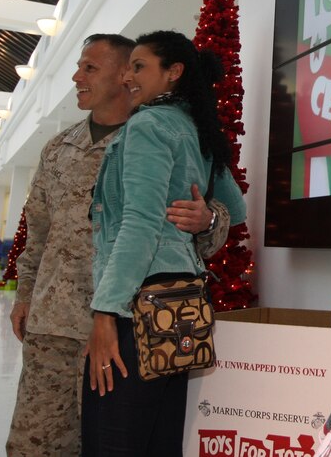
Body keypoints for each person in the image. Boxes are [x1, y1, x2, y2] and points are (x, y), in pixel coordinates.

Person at [6, 34, 241, 457]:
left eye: (89, 68)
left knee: (117, 438)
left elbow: (159, 221)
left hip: (124, 319)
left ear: (123, 73)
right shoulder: (60, 148)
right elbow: (37, 232)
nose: (77, 77)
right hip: (55, 324)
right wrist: (24, 294)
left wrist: (209, 218)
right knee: (36, 444)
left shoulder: (154, 130)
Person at [83, 30, 246, 456]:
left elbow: (140, 222)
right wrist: (208, 217)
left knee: (113, 439)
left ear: (174, 72)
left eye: (139, 67)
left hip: (135, 305)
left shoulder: (148, 124)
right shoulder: (197, 127)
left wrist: (105, 312)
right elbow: (237, 210)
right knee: (159, 437)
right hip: (180, 305)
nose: (127, 78)